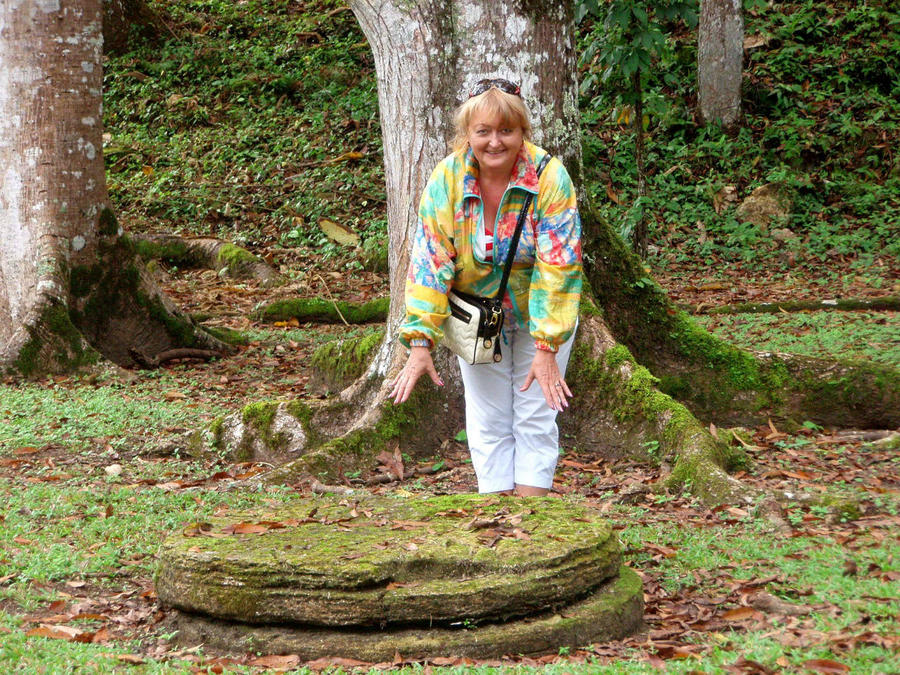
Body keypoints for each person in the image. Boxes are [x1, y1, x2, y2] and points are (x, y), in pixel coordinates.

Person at [389, 78, 582, 496]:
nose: (495, 142)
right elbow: (429, 261)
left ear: (522, 132)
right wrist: (420, 342)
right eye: (483, 131)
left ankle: (531, 525)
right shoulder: (448, 180)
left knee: (536, 413)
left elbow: (561, 265)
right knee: (488, 418)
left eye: (506, 131)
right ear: (467, 135)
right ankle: (496, 519)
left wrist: (548, 348)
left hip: (541, 312)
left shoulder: (549, 177)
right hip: (477, 316)